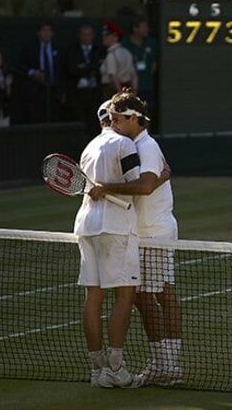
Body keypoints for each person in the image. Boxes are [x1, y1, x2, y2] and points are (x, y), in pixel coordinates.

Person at [90, 89, 182, 388]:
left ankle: (168, 365)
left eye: (117, 119)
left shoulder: (147, 145)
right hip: (142, 230)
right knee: (147, 296)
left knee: (155, 295)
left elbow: (144, 186)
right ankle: (164, 364)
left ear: (133, 119)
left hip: (153, 231)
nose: (112, 124)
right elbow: (162, 173)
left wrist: (106, 187)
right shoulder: (134, 143)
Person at [75, 99, 142, 388]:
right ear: (117, 118)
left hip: (86, 225)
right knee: (125, 295)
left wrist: (103, 189)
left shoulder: (88, 148)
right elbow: (138, 185)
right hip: (115, 226)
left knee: (94, 296)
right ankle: (116, 369)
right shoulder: (125, 145)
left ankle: (97, 370)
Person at [13, 21, 64, 124]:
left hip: (53, 92)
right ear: (38, 33)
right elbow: (19, 65)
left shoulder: (58, 49)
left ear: (52, 33)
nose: (46, 33)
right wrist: (32, 73)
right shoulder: (29, 48)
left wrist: (62, 91)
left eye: (48, 30)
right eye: (43, 30)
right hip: (35, 92)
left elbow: (62, 70)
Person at [64, 22, 106, 128]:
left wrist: (83, 68)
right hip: (78, 93)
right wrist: (92, 68)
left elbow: (100, 69)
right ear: (79, 35)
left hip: (95, 93)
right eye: (84, 34)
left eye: (89, 34)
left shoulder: (99, 50)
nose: (86, 37)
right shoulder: (72, 50)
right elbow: (71, 69)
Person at [121, 15, 157, 122]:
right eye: (144, 27)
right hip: (129, 87)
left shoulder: (151, 43)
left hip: (147, 85)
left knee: (146, 114)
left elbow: (154, 64)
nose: (147, 29)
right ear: (135, 28)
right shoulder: (125, 44)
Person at [100, 20, 137, 100]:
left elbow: (113, 76)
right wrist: (134, 92)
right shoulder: (126, 52)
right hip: (127, 89)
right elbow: (133, 74)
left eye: (106, 35)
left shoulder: (111, 55)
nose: (104, 37)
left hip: (113, 91)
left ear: (115, 36)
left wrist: (120, 94)